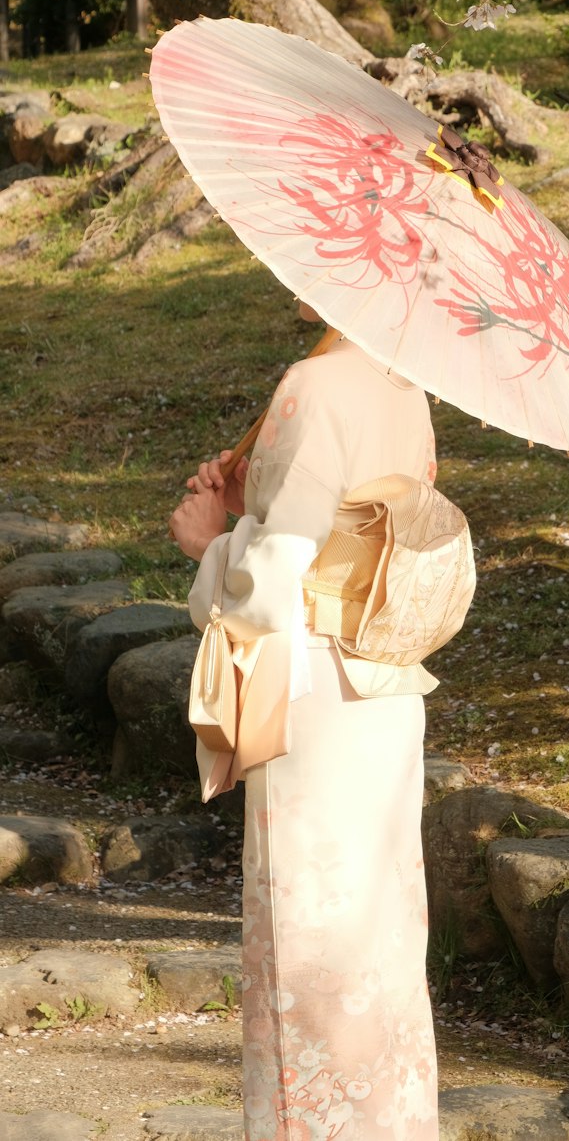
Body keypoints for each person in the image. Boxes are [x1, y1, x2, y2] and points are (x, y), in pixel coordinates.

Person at [169, 308, 440, 1141]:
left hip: (318, 688)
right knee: (378, 945)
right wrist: (266, 491)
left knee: (308, 938)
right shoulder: (408, 386)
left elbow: (276, 576)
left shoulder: (315, 383)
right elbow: (331, 522)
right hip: (385, 693)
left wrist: (210, 545)